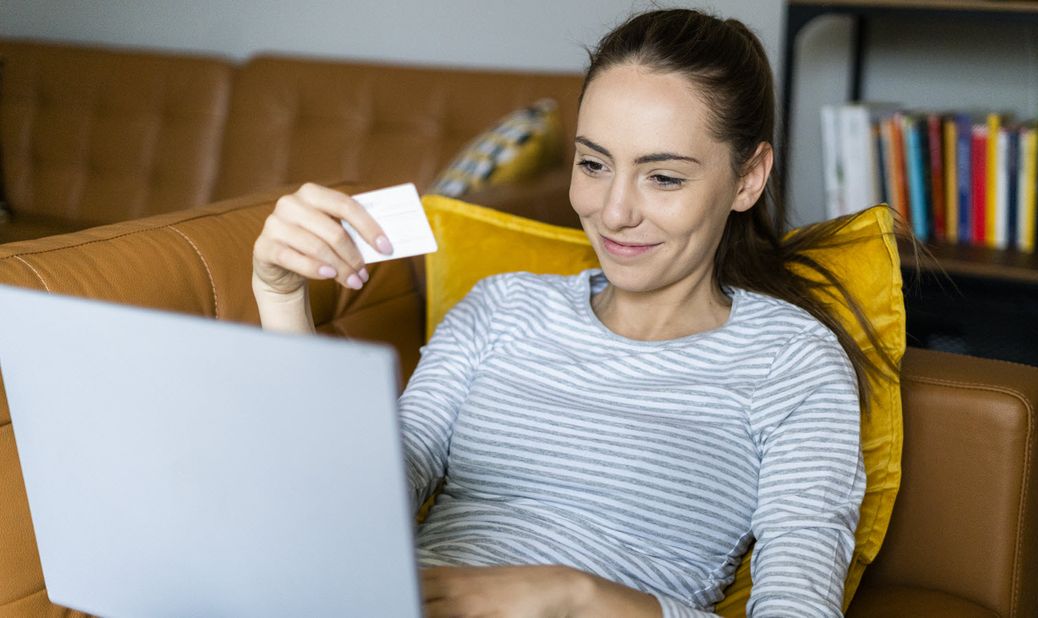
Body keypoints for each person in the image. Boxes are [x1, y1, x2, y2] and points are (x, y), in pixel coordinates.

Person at [252, 8, 895, 617]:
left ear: (748, 178)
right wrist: (281, 299)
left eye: (663, 177)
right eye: (593, 164)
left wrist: (573, 597)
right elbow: (351, 509)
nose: (614, 213)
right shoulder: (502, 308)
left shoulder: (792, 362)